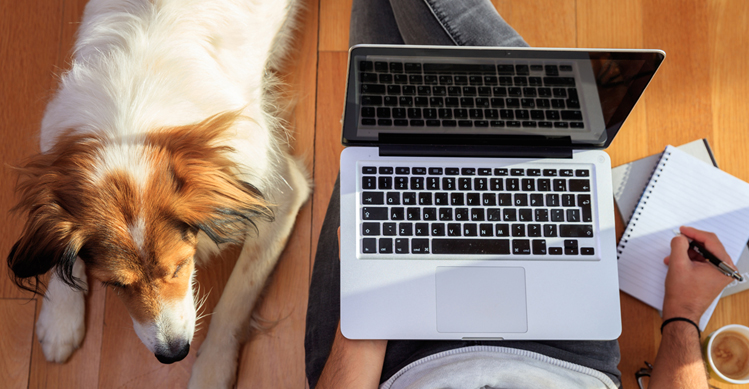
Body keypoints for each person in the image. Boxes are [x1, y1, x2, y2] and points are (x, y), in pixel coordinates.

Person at [304, 1, 736, 387]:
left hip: (387, 360)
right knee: (403, 69)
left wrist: (371, 315)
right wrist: (682, 315)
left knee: (383, 115)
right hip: (567, 354)